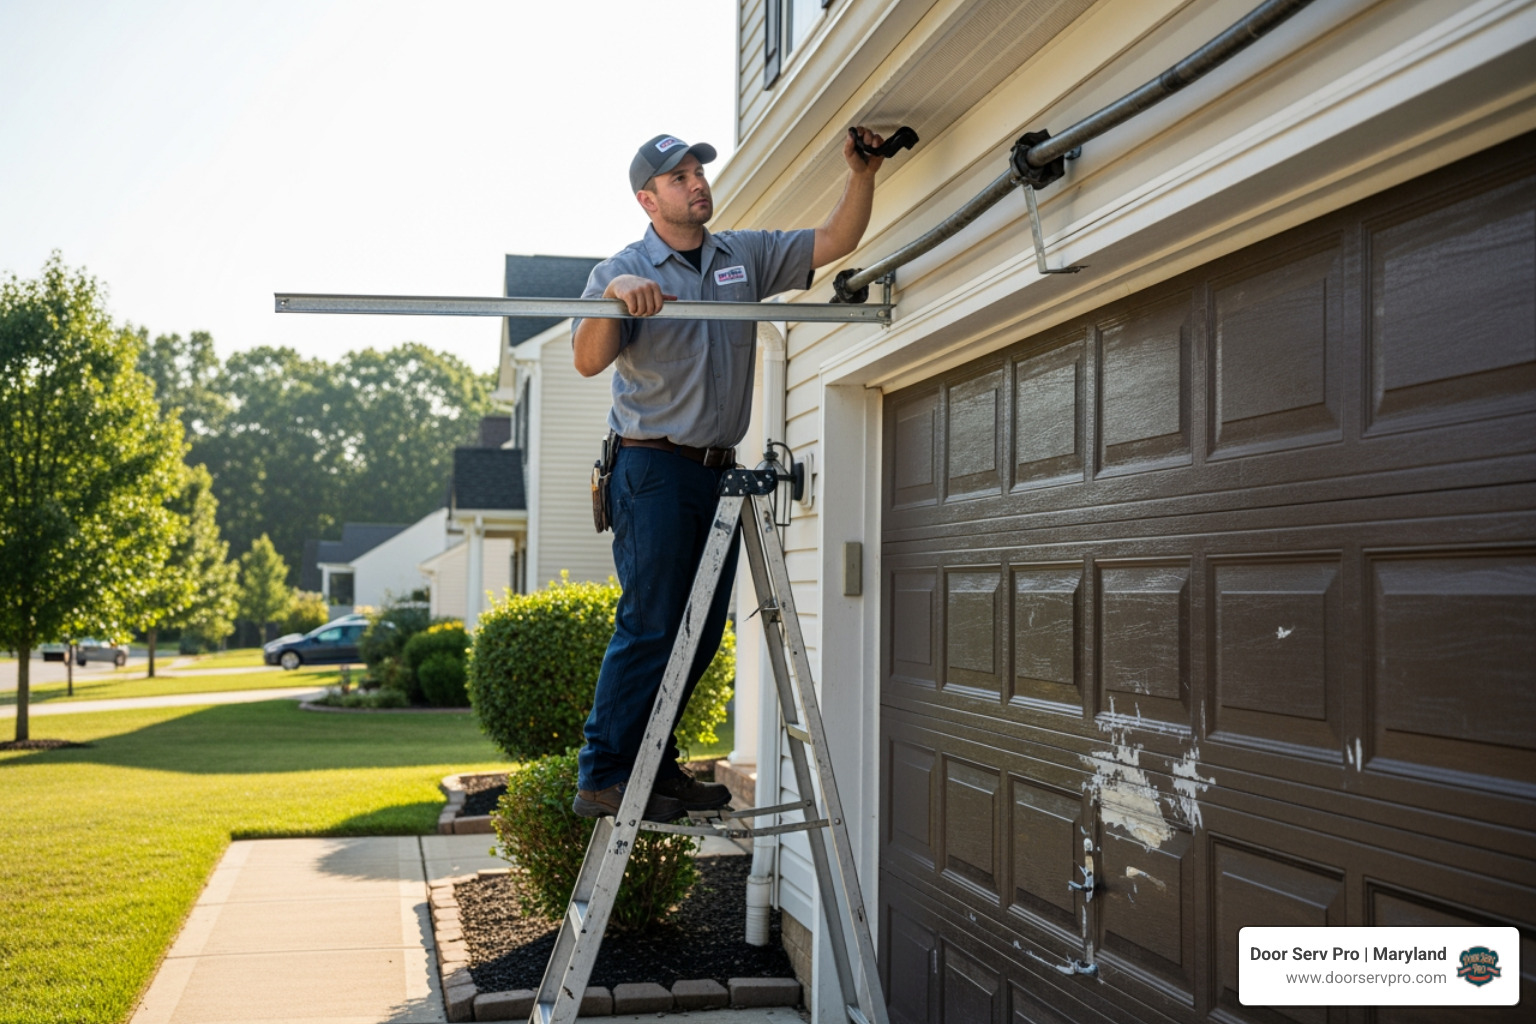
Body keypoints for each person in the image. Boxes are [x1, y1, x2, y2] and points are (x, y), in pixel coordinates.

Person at [571, 127, 886, 822]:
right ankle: (603, 774)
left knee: (702, 631)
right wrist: (619, 296)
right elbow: (588, 361)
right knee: (652, 622)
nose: (697, 184)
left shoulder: (740, 256)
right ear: (647, 200)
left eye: (697, 172)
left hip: (716, 471)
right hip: (650, 468)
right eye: (679, 178)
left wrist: (861, 174)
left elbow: (834, 240)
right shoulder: (620, 269)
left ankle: (652, 764)